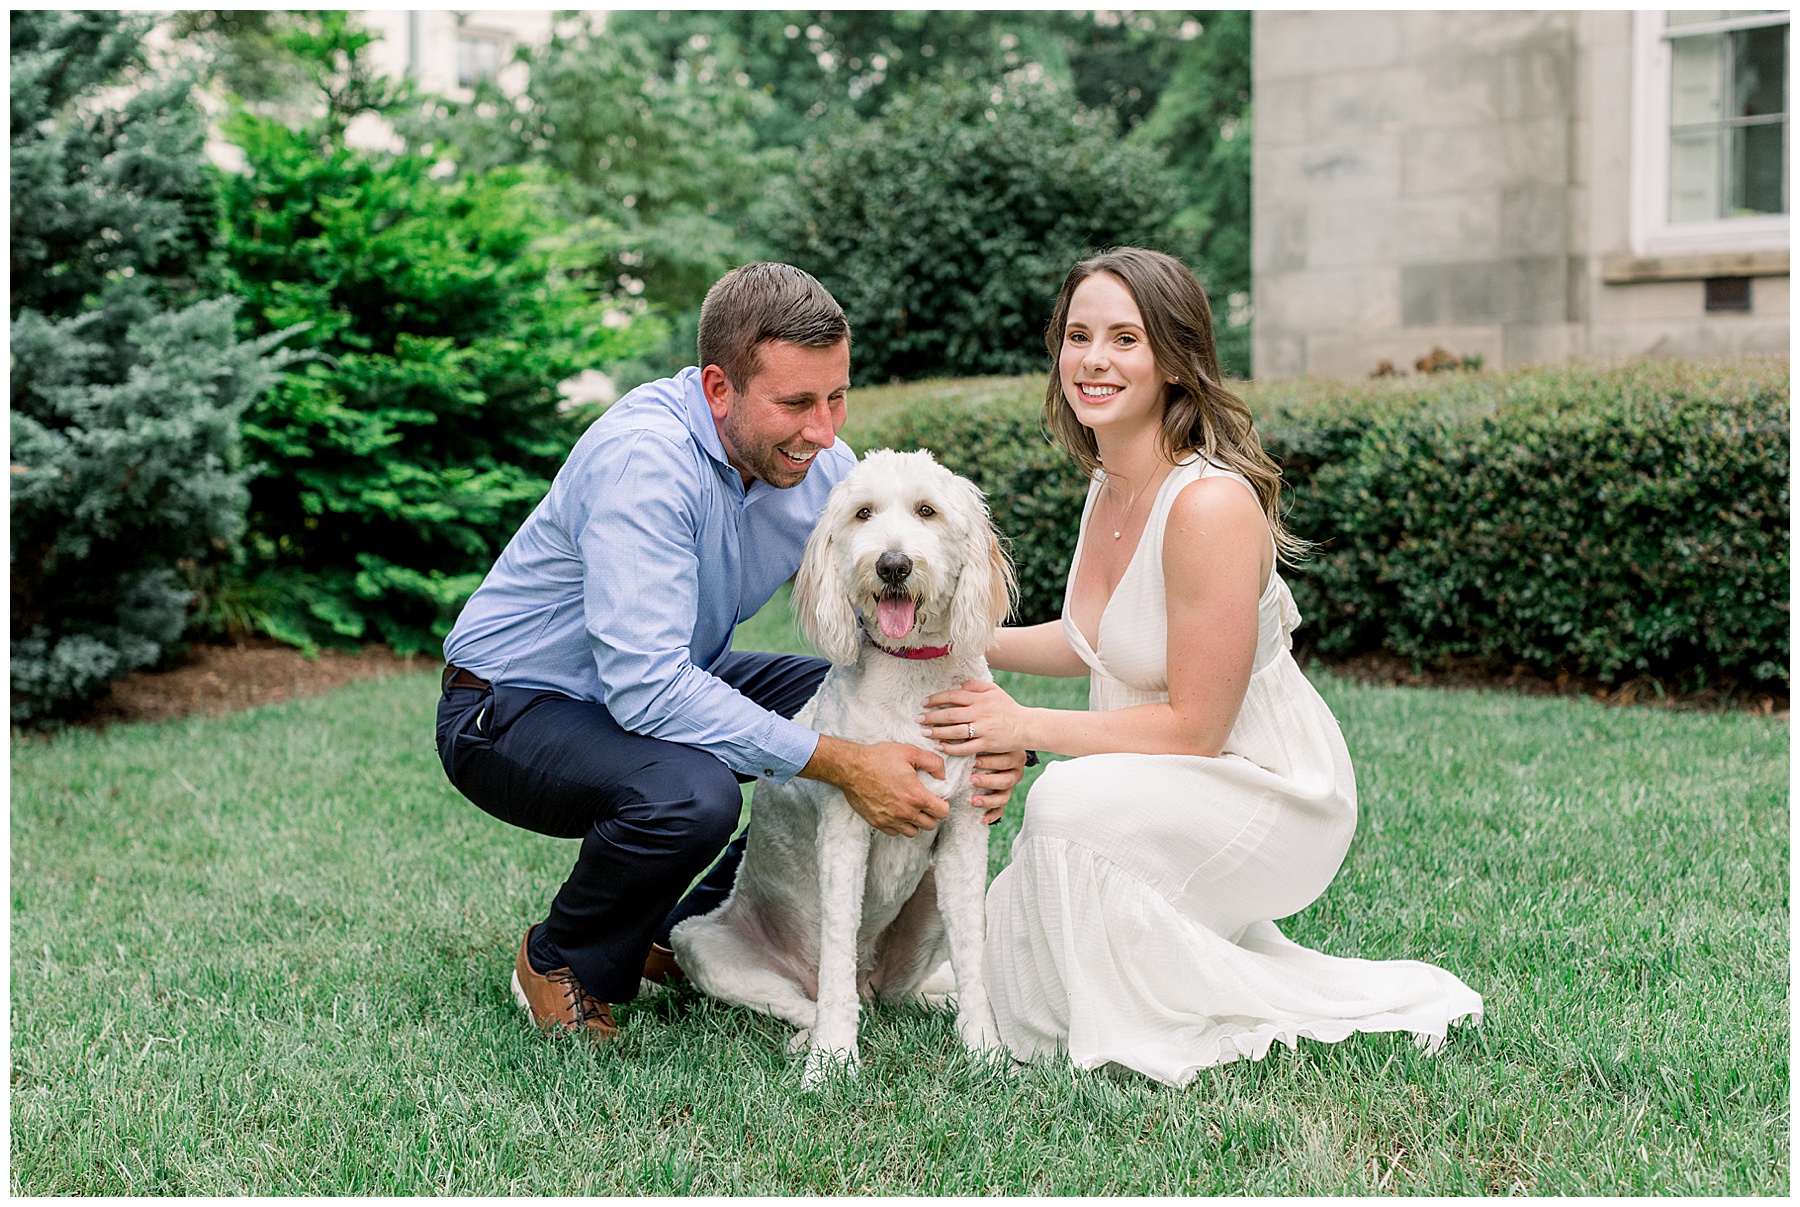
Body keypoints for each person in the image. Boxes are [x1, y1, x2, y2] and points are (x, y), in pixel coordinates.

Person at [917, 248, 1482, 1087]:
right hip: (1178, 779)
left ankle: (1139, 1006)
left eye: (1125, 338)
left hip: (1266, 790)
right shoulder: (1109, 484)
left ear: (1174, 361)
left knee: (1067, 798)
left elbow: (1196, 725)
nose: (1094, 360)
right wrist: (945, 636)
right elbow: (1088, 640)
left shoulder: (1209, 503)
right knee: (989, 929)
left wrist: (1023, 725)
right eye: (1078, 335)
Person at [436, 263, 1026, 1040]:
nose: (823, 431)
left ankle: (691, 926)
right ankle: (560, 956)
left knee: (847, 691)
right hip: (512, 706)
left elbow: (896, 609)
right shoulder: (643, 462)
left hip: (669, 672)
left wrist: (989, 730)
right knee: (698, 790)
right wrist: (841, 761)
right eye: (796, 404)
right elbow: (646, 690)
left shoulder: (819, 465)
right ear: (720, 389)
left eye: (835, 398)